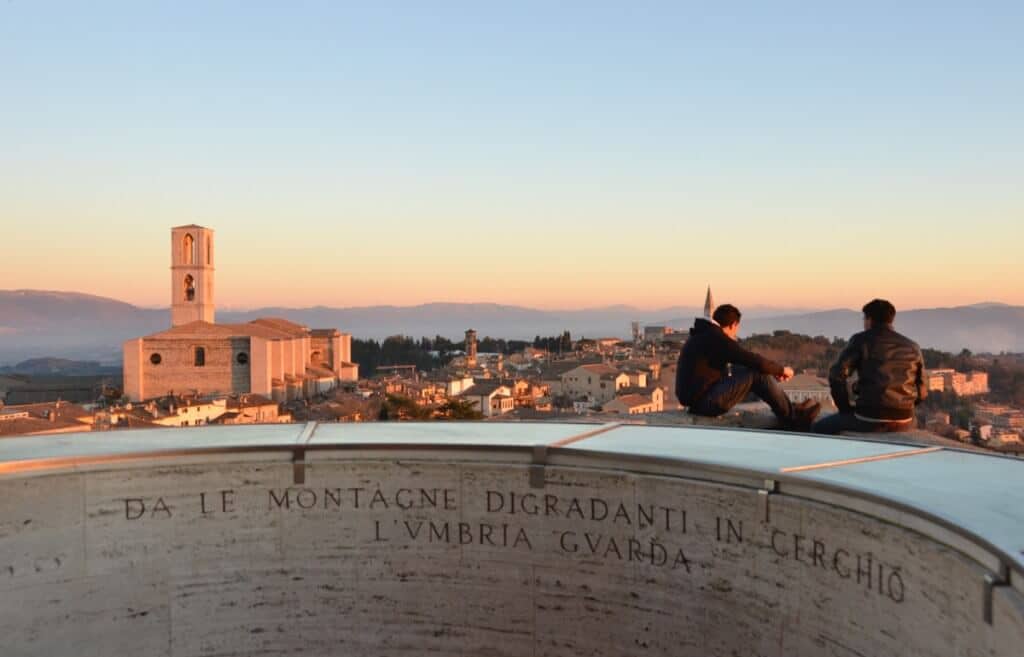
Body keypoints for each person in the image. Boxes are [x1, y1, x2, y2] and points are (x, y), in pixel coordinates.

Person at [676, 304, 820, 430]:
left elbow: (745, 362)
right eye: (736, 329)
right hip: (705, 403)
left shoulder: (704, 335)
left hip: (699, 399)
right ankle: (794, 418)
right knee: (756, 373)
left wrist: (771, 371)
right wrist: (782, 370)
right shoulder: (716, 338)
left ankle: (791, 408)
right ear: (733, 325)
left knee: (750, 369)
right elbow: (754, 361)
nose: (735, 334)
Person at [812, 299, 927, 435]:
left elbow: (836, 375)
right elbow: (922, 391)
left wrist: (845, 408)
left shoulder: (861, 341)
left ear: (869, 319)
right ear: (891, 320)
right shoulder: (913, 347)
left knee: (817, 428)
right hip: (905, 418)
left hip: (869, 417)